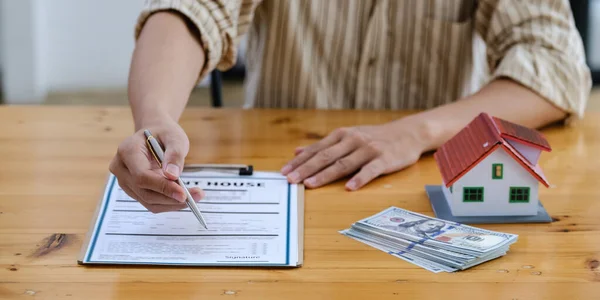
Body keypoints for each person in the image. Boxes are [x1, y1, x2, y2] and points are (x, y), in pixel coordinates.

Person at [109, 0, 591, 213]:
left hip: (422, 177)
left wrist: (416, 132)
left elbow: (556, 67)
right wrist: (154, 118)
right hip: (288, 173)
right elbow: (190, 10)